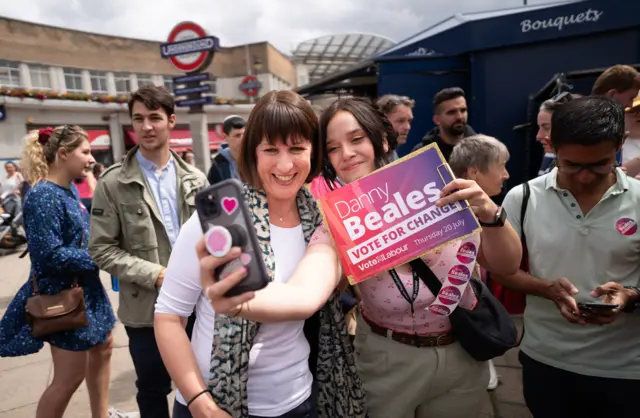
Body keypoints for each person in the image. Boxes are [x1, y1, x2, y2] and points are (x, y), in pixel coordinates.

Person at [202, 98, 522, 418]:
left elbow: (506, 266)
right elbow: (305, 293)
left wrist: (492, 214)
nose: (347, 154)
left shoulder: (440, 185)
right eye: (333, 148)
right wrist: (241, 300)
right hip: (385, 360)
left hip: (463, 353)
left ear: (382, 139)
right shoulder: (337, 220)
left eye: (357, 139)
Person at [154, 90, 366, 418]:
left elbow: (308, 296)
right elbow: (169, 316)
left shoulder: (323, 222)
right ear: (253, 153)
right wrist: (199, 401)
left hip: (300, 400)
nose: (284, 164)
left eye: (297, 148)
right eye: (271, 149)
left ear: (314, 152)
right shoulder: (218, 223)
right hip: (214, 404)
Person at [494, 96, 640, 417]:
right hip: (546, 361)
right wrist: (546, 288)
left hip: (626, 370)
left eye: (601, 163)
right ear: (552, 146)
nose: (585, 177)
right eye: (571, 164)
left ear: (620, 144)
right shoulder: (523, 198)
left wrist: (630, 296)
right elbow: (502, 272)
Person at [89, 85, 208, 418]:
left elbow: (215, 238)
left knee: (202, 386)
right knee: (153, 389)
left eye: (154, 118)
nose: (146, 126)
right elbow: (101, 248)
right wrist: (155, 275)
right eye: (138, 119)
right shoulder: (112, 183)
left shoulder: (196, 180)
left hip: (199, 307)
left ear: (171, 121)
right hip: (145, 312)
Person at [0, 126, 128, 418]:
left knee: (104, 347)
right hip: (63, 297)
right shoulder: (43, 195)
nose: (90, 159)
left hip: (85, 290)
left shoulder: (67, 188)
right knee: (69, 378)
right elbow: (49, 255)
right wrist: (99, 257)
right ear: (63, 154)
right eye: (85, 152)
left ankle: (102, 415)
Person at [449, 134, 510, 391]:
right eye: (501, 166)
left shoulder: (484, 210)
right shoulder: (460, 214)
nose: (506, 174)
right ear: (474, 172)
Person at [412, 87, 477, 160]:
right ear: (437, 120)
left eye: (463, 110)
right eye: (451, 112)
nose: (459, 116)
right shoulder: (421, 154)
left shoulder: (483, 150)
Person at [207, 115, 245, 185]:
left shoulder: (256, 158)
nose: (243, 139)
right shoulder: (217, 165)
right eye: (237, 135)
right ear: (225, 137)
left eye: (245, 135)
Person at [376, 94, 414, 160]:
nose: (408, 127)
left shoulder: (392, 152)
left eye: (409, 121)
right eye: (400, 121)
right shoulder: (372, 158)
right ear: (382, 121)